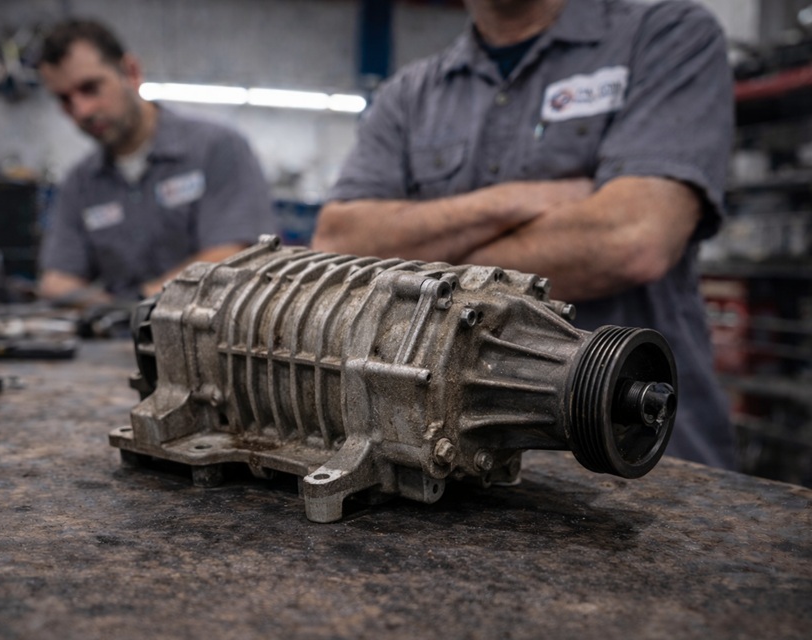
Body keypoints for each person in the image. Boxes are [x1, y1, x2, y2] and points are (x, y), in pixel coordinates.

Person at [312, 0, 736, 469]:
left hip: (635, 442)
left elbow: (634, 239)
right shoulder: (409, 94)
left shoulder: (663, 35)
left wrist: (426, 252)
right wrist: (518, 201)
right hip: (448, 452)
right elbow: (337, 244)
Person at [36, 19, 275, 304]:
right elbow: (56, 281)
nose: (81, 110)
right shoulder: (80, 184)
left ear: (131, 72)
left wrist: (142, 302)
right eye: (65, 100)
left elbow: (234, 255)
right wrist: (111, 311)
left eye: (90, 88)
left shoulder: (217, 149)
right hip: (121, 341)